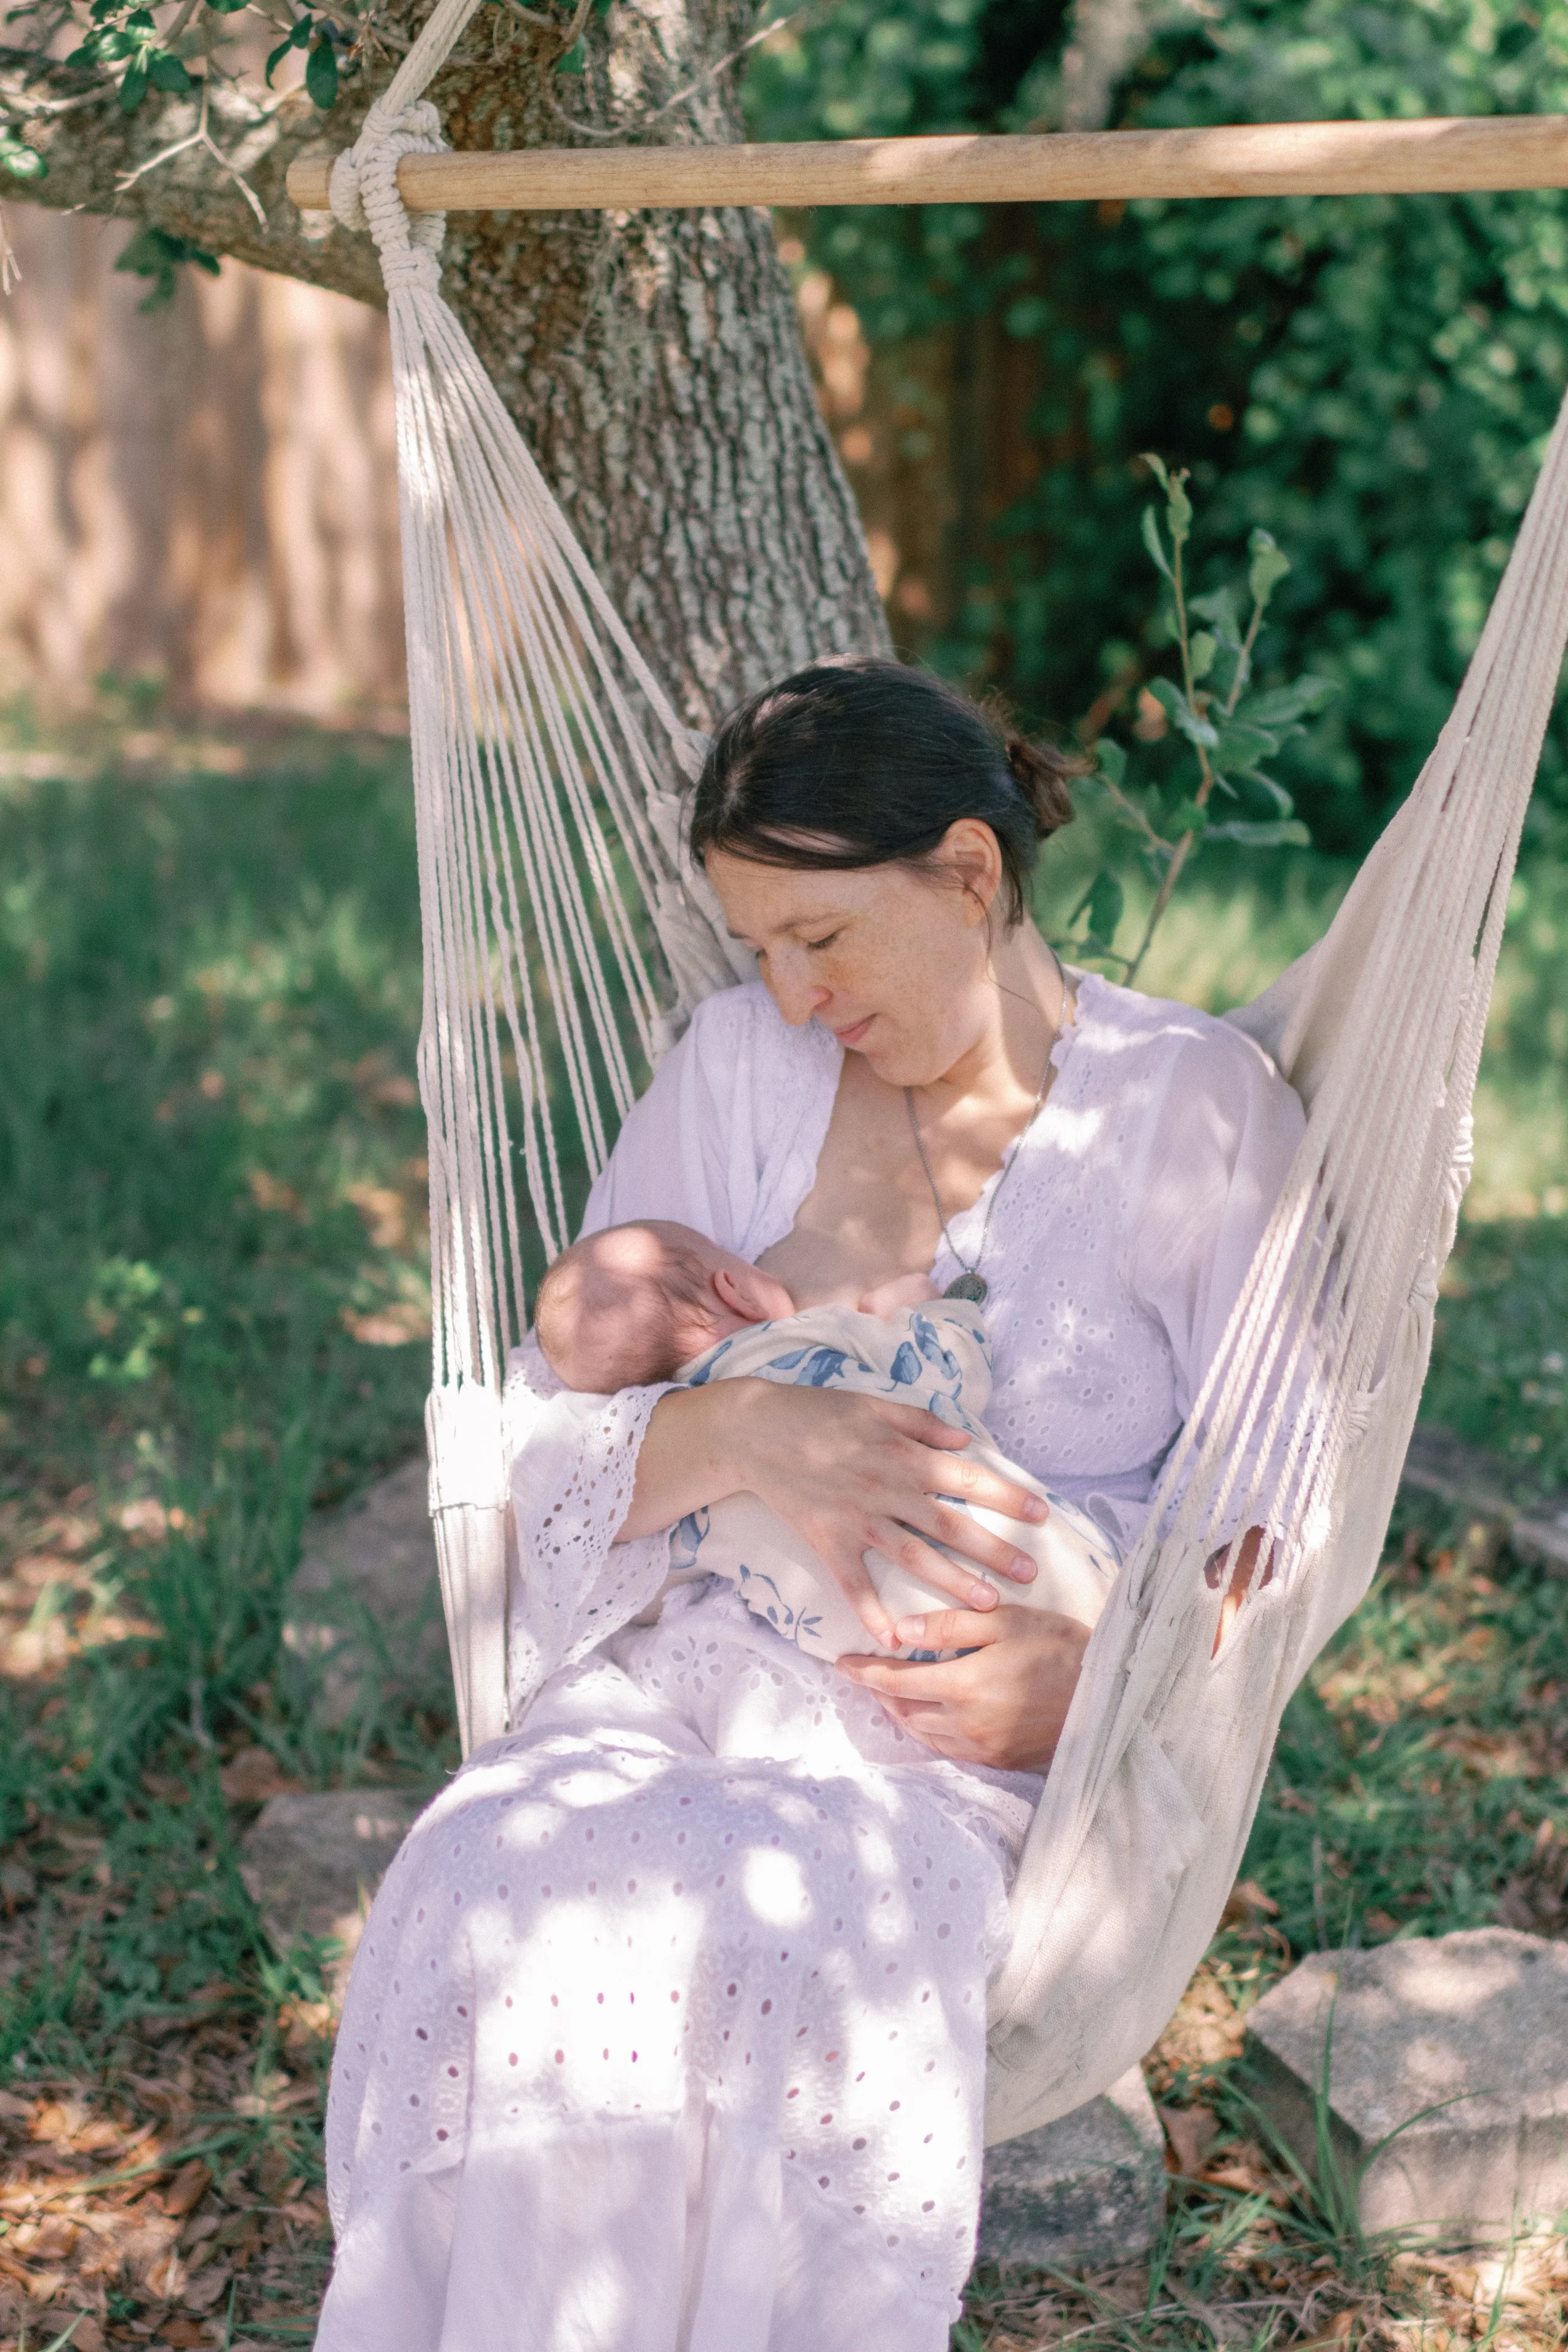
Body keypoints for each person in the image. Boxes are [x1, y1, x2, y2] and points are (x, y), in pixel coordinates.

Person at [315, 658, 1305, 2352]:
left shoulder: (1195, 1111)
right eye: (757, 947)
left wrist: (1098, 1688)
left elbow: (1277, 1528)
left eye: (821, 938)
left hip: (951, 1744)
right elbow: (555, 1422)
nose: (784, 994)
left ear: (971, 870)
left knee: (786, 1930)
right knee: (484, 1878)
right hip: (684, 1669)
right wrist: (748, 1429)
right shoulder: (735, 1072)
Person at [531, 1216, 1120, 1661]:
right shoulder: (817, 1337)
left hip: (908, 1650)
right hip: (1036, 1569)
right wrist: (933, 1312)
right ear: (734, 1287)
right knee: (1094, 1597)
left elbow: (645, 1586)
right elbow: (951, 1378)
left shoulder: (683, 1480)